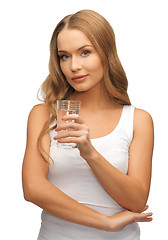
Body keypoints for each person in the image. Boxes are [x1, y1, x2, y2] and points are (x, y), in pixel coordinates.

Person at [22, 9, 154, 240]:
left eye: (85, 52)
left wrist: (90, 153)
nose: (74, 66)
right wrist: (105, 223)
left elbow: (136, 201)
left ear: (106, 53)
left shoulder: (137, 120)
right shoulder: (44, 115)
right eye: (64, 56)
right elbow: (33, 189)